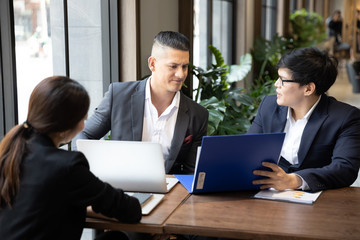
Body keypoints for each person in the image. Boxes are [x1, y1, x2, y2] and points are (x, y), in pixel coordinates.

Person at [0, 76, 142, 239]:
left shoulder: (11, 151)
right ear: (63, 128)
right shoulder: (67, 166)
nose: (84, 124)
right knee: (117, 238)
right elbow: (130, 210)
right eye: (82, 118)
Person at [73, 31, 209, 174]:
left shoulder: (197, 115)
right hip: (121, 187)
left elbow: (191, 174)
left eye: (184, 66)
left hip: (170, 191)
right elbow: (83, 135)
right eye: (173, 66)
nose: (181, 74)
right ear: (152, 64)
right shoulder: (118, 96)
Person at [248, 47, 360, 193]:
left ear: (308, 89)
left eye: (283, 80)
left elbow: (345, 169)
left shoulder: (346, 117)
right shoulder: (269, 106)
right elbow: (249, 150)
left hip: (317, 199)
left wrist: (295, 180)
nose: (276, 84)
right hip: (268, 194)